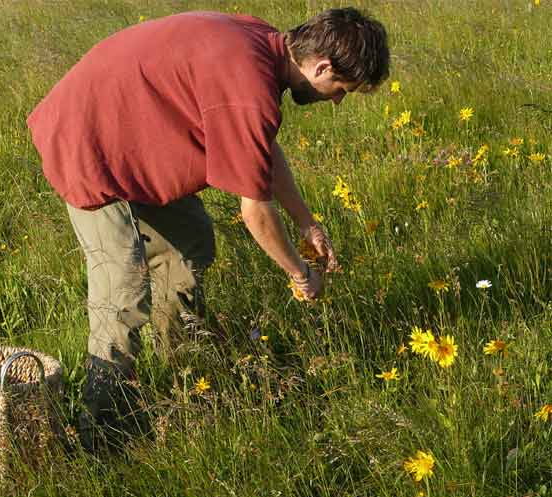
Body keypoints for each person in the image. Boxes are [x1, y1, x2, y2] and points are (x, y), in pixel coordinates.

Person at [27, 7, 390, 451]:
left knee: (191, 241)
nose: (337, 101)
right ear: (322, 66)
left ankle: (177, 371)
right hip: (88, 143)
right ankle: (101, 434)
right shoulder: (250, 88)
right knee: (122, 291)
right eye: (341, 90)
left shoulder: (264, 45)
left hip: (134, 142)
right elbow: (255, 211)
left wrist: (306, 222)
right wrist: (299, 274)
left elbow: (263, 148)